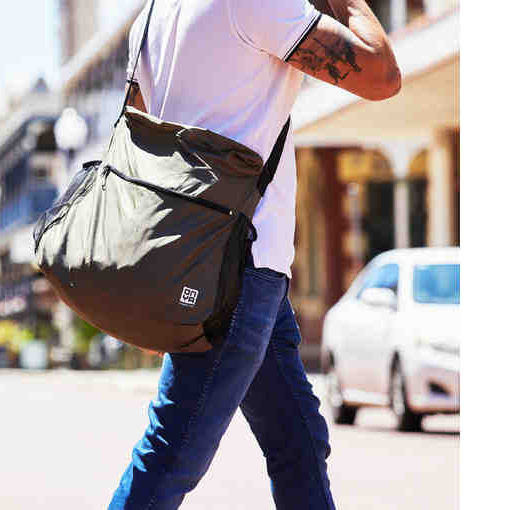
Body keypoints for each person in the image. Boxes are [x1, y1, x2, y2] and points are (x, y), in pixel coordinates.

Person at [109, 1, 400, 508]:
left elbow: (145, 151)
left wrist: (153, 289)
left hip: (205, 264)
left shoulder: (152, 17)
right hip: (238, 273)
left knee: (299, 440)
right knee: (173, 452)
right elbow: (382, 75)